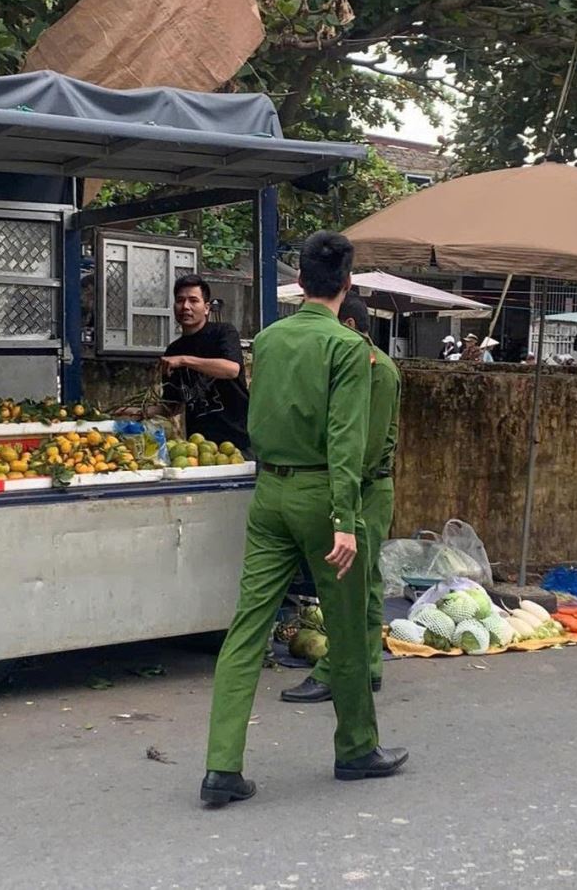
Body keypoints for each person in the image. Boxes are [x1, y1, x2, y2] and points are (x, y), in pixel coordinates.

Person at [200, 231, 407, 807]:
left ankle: (221, 767)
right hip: (324, 497)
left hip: (269, 491)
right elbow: (346, 440)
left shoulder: (266, 339)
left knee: (246, 629)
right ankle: (357, 748)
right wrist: (345, 517)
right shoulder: (347, 349)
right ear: (347, 283)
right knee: (346, 627)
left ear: (300, 284)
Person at [281, 292, 401, 706]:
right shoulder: (359, 366)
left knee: (354, 583)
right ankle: (364, 667)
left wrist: (337, 491)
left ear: (348, 328)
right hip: (354, 485)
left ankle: (342, 670)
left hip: (365, 487)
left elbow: (364, 447)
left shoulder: (377, 371)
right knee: (360, 583)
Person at [161, 274, 249, 454]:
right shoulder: (173, 351)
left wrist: (184, 360)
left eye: (193, 300)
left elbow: (232, 369)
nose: (185, 306)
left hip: (239, 444)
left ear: (206, 308)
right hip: (199, 449)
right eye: (180, 300)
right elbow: (172, 405)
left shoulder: (223, 333)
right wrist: (132, 412)